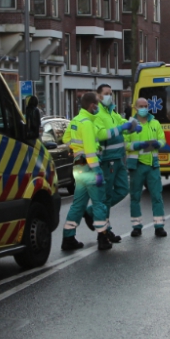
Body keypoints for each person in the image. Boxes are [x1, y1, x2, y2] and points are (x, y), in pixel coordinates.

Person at [60, 92, 119, 251]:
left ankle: (68, 237)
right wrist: (97, 171)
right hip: (90, 165)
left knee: (78, 203)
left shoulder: (75, 120)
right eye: (97, 105)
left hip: (78, 165)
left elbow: (66, 139)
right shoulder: (87, 123)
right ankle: (103, 238)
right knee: (99, 202)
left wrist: (76, 148)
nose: (98, 107)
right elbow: (91, 150)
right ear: (92, 105)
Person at [85, 84, 140, 243]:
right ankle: (105, 230)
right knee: (106, 196)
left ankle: (91, 212)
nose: (110, 96)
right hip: (108, 160)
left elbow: (122, 124)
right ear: (99, 96)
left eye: (111, 93)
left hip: (119, 158)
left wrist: (133, 127)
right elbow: (102, 134)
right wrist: (122, 127)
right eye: (107, 93)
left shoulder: (112, 113)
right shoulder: (98, 114)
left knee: (123, 190)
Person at [125, 97, 168, 237]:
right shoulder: (130, 125)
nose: (143, 108)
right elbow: (124, 144)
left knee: (157, 196)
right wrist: (136, 146)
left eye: (146, 105)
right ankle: (136, 226)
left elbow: (162, 139)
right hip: (137, 165)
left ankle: (159, 226)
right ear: (135, 108)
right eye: (141, 106)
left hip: (152, 164)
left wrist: (158, 144)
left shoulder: (155, 123)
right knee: (135, 196)